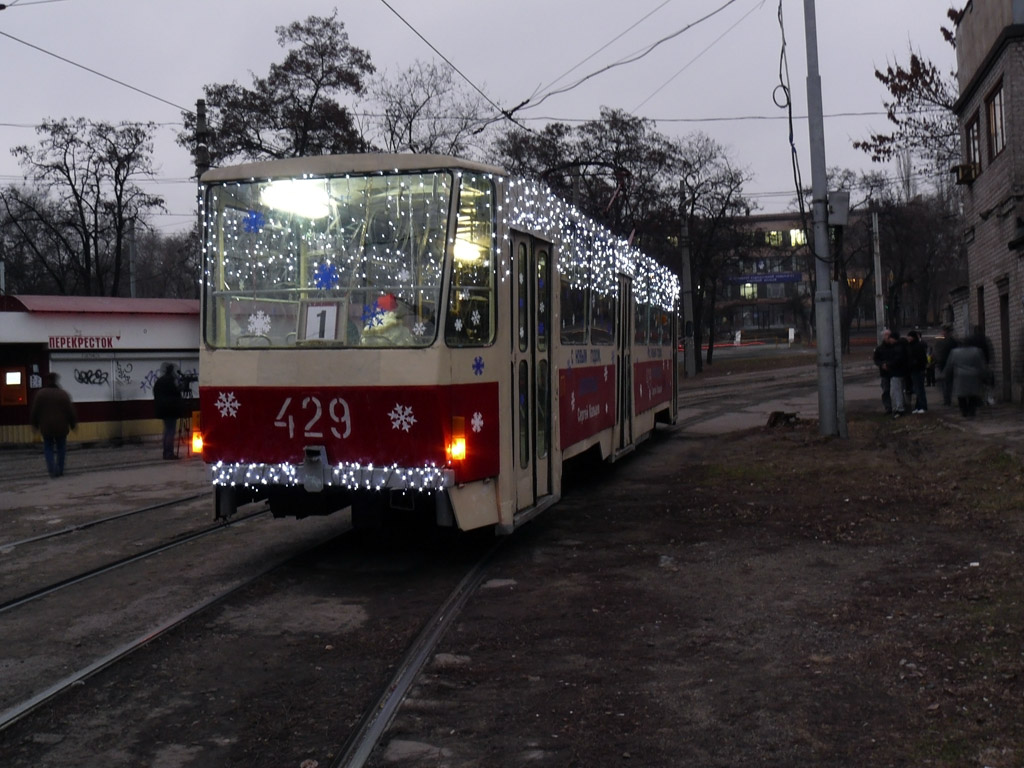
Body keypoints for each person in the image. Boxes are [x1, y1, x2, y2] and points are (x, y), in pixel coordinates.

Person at [29, 371, 77, 478]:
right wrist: (73, 424)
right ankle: (60, 469)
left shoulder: (40, 394)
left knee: (48, 448)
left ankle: (52, 469)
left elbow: (35, 411)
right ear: (56, 380)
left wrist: (35, 425)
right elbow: (70, 411)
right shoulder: (63, 394)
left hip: (46, 428)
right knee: (61, 448)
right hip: (61, 427)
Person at [947, 339, 987, 418]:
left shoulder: (954, 352)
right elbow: (981, 364)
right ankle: (971, 411)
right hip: (973, 375)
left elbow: (950, 364)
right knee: (973, 394)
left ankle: (964, 410)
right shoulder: (976, 351)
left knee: (961, 395)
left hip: (960, 375)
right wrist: (984, 374)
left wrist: (946, 374)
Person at [153, 362, 183, 459]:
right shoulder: (170, 381)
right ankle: (169, 453)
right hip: (170, 410)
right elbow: (175, 392)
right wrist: (182, 387)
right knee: (170, 431)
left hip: (162, 410)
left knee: (166, 431)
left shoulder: (159, 381)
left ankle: (166, 452)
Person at [934, 325, 958, 407]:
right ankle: (947, 399)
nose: (942, 333)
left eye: (943, 331)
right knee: (947, 384)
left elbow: (943, 354)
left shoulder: (948, 342)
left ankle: (947, 400)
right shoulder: (951, 342)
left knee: (946, 383)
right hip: (946, 365)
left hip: (946, 365)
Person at [872, 329, 894, 415]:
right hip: (884, 373)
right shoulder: (879, 348)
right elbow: (876, 359)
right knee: (886, 390)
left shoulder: (894, 346)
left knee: (896, 390)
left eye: (889, 335)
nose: (888, 337)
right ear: (883, 337)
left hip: (895, 372)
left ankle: (897, 406)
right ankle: (888, 408)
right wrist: (881, 364)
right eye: (886, 335)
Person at [906, 330, 928, 413]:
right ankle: (918, 406)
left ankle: (923, 406)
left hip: (918, 370)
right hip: (913, 370)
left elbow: (921, 359)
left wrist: (914, 364)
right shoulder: (910, 346)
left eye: (910, 336)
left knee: (920, 389)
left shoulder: (918, 346)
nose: (908, 338)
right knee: (917, 389)